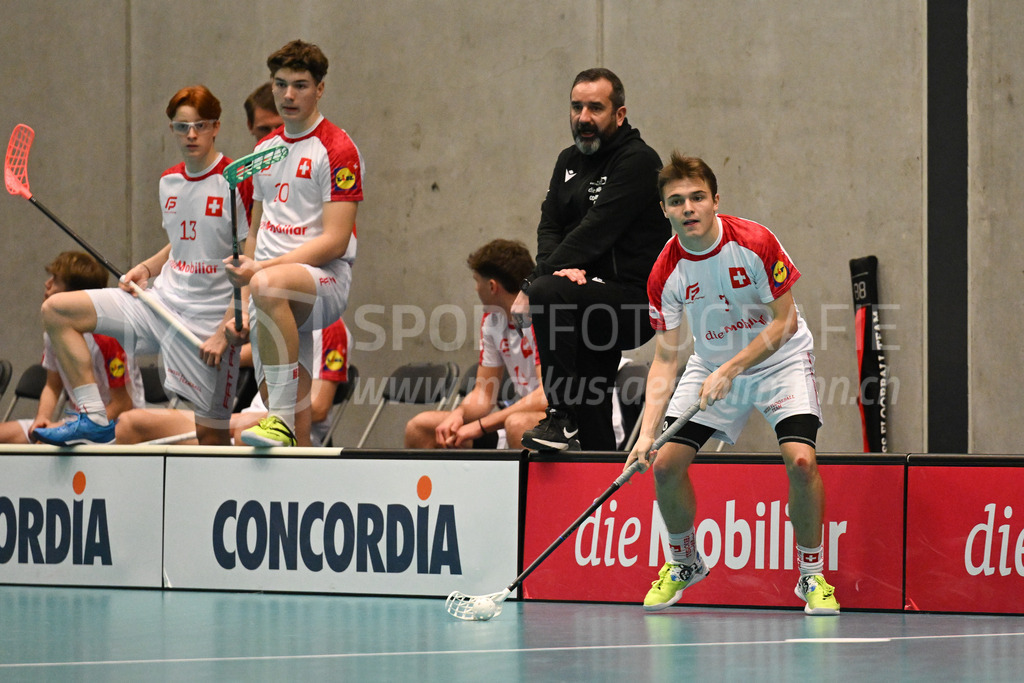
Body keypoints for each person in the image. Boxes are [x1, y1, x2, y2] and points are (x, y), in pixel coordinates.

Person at [624, 153, 839, 616]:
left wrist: (734, 367)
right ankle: (683, 563)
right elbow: (664, 356)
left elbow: (785, 322)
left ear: (716, 200)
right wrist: (645, 434)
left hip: (778, 360)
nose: (689, 208)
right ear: (664, 209)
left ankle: (811, 574)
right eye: (676, 200)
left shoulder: (755, 242)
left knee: (801, 462)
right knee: (664, 465)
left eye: (698, 197)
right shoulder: (665, 272)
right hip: (712, 366)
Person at [34, 85, 247, 446]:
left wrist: (226, 326)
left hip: (207, 327)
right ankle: (92, 414)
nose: (191, 135)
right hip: (159, 304)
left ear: (216, 127)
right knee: (57, 311)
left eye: (200, 125)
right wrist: (147, 268)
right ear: (171, 130)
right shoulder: (169, 182)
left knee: (211, 440)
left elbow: (248, 258)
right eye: (182, 127)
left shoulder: (236, 181)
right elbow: (183, 244)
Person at [514, 67, 671, 452]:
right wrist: (557, 267)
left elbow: (597, 230)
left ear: (619, 114)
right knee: (592, 397)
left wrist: (532, 285)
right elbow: (550, 226)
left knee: (548, 292)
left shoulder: (638, 161)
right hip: (584, 296)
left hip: (633, 302)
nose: (583, 118)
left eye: (595, 108)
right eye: (576, 107)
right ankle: (598, 471)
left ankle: (560, 416)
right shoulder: (567, 160)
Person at [225, 39, 363, 448]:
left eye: (300, 85)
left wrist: (263, 274)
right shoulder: (263, 152)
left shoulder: (338, 149)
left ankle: (279, 420)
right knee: (291, 428)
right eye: (280, 84)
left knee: (277, 416)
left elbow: (336, 241)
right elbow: (254, 233)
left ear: (320, 89)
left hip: (322, 284)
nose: (288, 95)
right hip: (269, 291)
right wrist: (245, 296)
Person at [114, 318, 352, 446]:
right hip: (242, 425)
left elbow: (319, 408)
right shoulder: (272, 321)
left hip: (289, 434)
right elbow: (237, 357)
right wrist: (209, 350)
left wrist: (237, 421)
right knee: (130, 423)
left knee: (242, 434)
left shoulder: (330, 328)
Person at [405, 239, 546, 450]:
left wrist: (481, 426)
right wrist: (458, 415)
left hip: (569, 423)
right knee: (421, 427)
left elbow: (547, 397)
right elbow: (484, 393)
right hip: (517, 420)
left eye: (476, 280)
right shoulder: (492, 321)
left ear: (492, 286)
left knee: (518, 426)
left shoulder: (543, 315)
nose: (475, 288)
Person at [0, 252, 144, 444]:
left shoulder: (109, 338)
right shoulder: (54, 332)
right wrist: (42, 420)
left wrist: (67, 428)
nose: (47, 284)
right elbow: (52, 386)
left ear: (74, 294)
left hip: (116, 427)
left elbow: (122, 404)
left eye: (56, 280)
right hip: (76, 424)